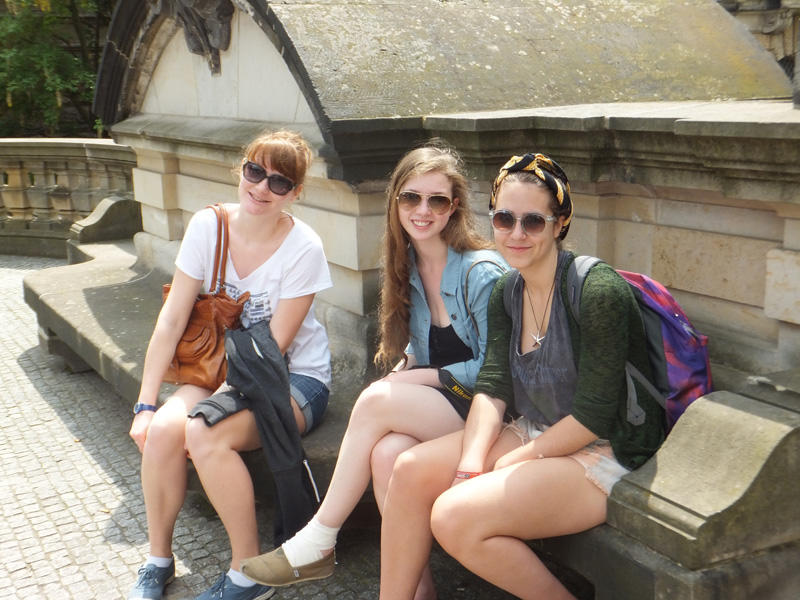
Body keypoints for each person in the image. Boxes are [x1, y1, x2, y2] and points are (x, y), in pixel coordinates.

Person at [378, 153, 666, 600]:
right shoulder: (507, 290)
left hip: (604, 451)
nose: (515, 234)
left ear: (560, 223)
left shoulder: (598, 291)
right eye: (504, 218)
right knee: (409, 469)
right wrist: (472, 462)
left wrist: (508, 463)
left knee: (453, 516)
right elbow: (492, 385)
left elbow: (593, 416)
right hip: (536, 428)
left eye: (532, 222)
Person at [239, 142, 506, 597]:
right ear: (395, 201)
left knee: (377, 398)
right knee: (386, 456)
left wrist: (417, 377)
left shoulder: (481, 273)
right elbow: (427, 347)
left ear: (454, 207)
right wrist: (408, 364)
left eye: (437, 200)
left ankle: (320, 537)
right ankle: (418, 591)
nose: (423, 210)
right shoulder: (409, 267)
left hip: (491, 413)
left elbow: (495, 370)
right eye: (411, 197)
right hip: (448, 407)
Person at [127, 130, 333, 600]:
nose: (261, 188)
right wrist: (145, 404)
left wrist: (210, 407)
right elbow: (172, 318)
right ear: (241, 169)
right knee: (163, 430)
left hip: (291, 378)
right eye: (255, 172)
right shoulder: (209, 226)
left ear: (295, 193)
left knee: (203, 431)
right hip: (219, 369)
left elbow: (274, 348)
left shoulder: (304, 247)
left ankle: (249, 573)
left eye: (279, 182)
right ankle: (158, 559)